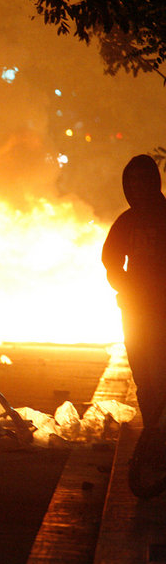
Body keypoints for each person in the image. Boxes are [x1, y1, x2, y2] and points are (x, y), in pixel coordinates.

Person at [102, 154, 166, 429]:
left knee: (161, 372)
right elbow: (110, 259)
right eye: (133, 181)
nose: (138, 186)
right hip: (135, 311)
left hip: (162, 310)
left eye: (143, 180)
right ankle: (153, 432)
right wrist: (126, 287)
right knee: (142, 373)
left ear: (155, 181)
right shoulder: (127, 222)